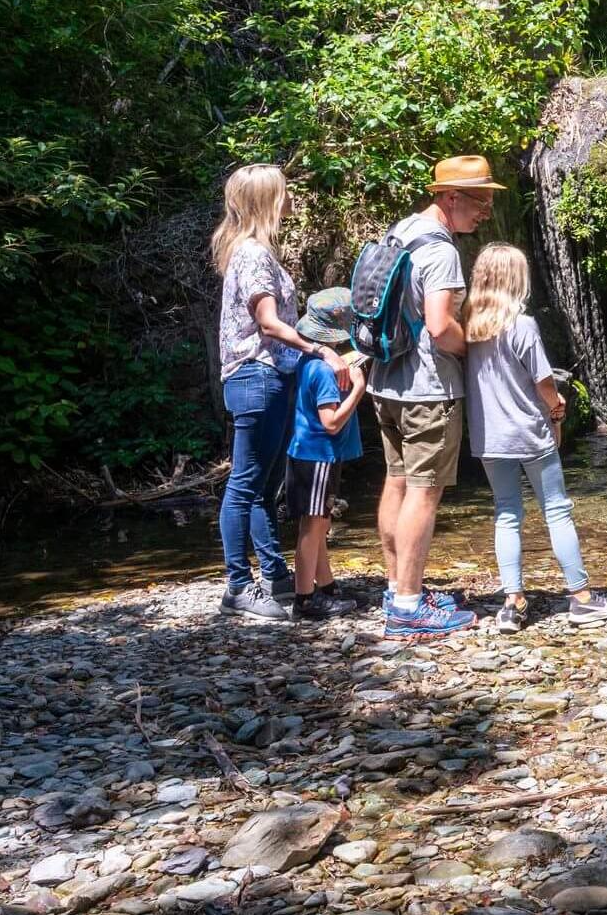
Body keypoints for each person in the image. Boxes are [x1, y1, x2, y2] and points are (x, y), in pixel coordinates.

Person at [369, 155, 501, 638]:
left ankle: (396, 586)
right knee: (424, 494)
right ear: (449, 197)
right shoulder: (442, 251)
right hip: (428, 390)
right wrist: (477, 352)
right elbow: (440, 325)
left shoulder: (401, 230)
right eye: (480, 200)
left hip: (386, 382)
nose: (485, 210)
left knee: (397, 483)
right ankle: (408, 607)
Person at [464, 244, 607, 631]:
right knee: (556, 509)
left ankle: (513, 602)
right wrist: (558, 409)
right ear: (515, 281)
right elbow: (544, 384)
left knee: (506, 513)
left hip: (489, 438)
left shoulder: (469, 328)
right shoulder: (523, 326)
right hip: (529, 432)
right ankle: (581, 598)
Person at [211, 163, 336, 622]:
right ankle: (239, 587)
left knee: (262, 483)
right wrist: (319, 349)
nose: (290, 201)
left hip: (260, 377)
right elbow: (268, 322)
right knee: (245, 483)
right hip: (257, 375)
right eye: (283, 194)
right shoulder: (253, 255)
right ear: (267, 200)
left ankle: (274, 572)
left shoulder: (251, 251)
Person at [280, 288, 369, 622]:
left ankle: (326, 587)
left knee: (318, 524)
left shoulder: (310, 360)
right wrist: (358, 390)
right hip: (318, 455)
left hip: (308, 453)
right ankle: (304, 600)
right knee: (313, 527)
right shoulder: (324, 371)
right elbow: (330, 422)